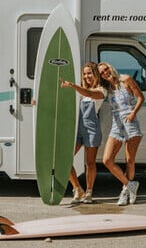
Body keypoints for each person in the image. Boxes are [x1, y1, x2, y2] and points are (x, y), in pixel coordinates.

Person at [97, 62, 144, 206]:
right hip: (116, 125)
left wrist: (133, 114)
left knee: (129, 160)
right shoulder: (107, 88)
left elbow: (141, 97)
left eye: (106, 69)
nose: (105, 72)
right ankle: (130, 185)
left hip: (130, 122)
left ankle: (125, 191)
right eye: (102, 72)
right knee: (107, 160)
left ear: (111, 67)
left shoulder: (126, 79)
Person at [60, 62, 106, 204]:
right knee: (64, 159)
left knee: (90, 163)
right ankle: (77, 189)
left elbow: (89, 93)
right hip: (78, 129)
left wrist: (72, 85)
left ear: (96, 74)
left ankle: (89, 192)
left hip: (92, 129)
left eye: (89, 73)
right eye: (84, 74)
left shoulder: (101, 90)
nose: (86, 76)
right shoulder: (81, 92)